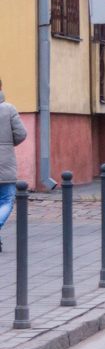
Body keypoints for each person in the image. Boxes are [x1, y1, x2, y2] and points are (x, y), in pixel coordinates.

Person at [0, 79, 28, 252]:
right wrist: (7, 145)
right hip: (5, 163)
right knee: (7, 200)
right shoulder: (8, 109)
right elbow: (21, 134)